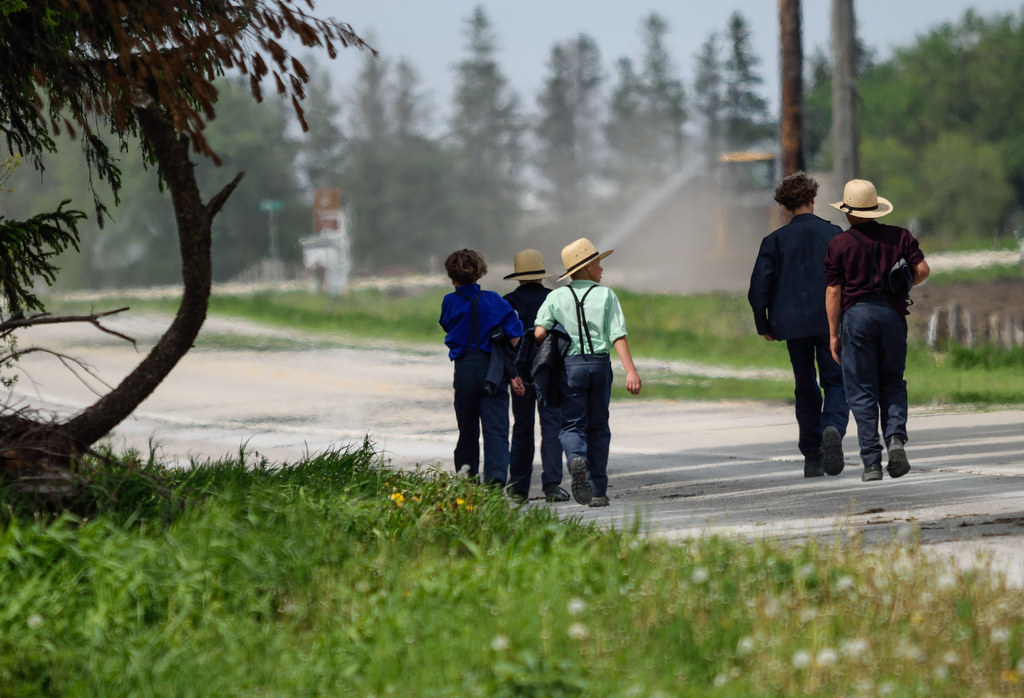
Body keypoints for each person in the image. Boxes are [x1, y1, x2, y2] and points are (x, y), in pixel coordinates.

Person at [825, 179, 930, 482]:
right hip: (891, 315)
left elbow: (833, 292)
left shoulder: (839, 245)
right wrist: (902, 286)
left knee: (862, 391)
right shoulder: (900, 237)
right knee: (892, 382)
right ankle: (896, 438)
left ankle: (872, 463)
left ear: (847, 211)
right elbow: (922, 270)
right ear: (875, 208)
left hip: (857, 318)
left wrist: (833, 334)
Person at [748, 172, 851, 478]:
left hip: (791, 326)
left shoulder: (773, 241)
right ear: (812, 199)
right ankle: (831, 426)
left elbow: (758, 289)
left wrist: (763, 323)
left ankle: (812, 456)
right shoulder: (834, 234)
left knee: (805, 385)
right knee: (835, 381)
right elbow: (849, 279)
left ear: (785, 207)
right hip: (830, 321)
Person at [533, 238, 642, 507]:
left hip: (570, 367)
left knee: (572, 424)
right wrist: (631, 371)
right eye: (599, 263)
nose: (602, 269)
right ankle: (597, 491)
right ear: (588, 267)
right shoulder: (606, 295)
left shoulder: (556, 296)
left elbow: (538, 332)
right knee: (599, 427)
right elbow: (618, 335)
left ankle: (574, 459)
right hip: (599, 365)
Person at [439, 249, 525, 488]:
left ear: (452, 276)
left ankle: (467, 479)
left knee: (467, 427)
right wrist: (516, 371)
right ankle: (496, 479)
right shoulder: (495, 300)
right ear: (480, 272)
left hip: (465, 368)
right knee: (496, 427)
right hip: (493, 368)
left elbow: (447, 324)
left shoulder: (449, 301)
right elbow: (515, 336)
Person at [503, 249, 569, 503]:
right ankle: (552, 484)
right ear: (541, 274)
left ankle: (519, 488)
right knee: (552, 427)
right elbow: (564, 338)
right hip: (549, 372)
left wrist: (511, 374)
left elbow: (505, 342)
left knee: (522, 427)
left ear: (518, 276)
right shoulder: (554, 298)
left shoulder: (508, 301)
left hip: (519, 374)